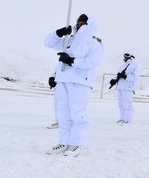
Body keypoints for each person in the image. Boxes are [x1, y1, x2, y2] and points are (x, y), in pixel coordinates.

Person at [44, 14, 104, 157]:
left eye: (83, 23)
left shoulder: (94, 43)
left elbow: (93, 61)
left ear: (90, 26)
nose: (79, 25)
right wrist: (58, 33)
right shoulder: (68, 40)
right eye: (78, 23)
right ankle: (64, 142)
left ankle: (76, 144)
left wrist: (72, 61)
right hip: (63, 80)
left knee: (78, 114)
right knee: (63, 113)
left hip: (80, 82)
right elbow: (48, 43)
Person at [110, 53, 140, 124]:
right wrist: (113, 80)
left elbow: (135, 76)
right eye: (125, 55)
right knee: (121, 104)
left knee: (127, 104)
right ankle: (122, 118)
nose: (126, 57)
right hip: (120, 86)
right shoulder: (123, 65)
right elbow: (117, 74)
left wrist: (125, 76)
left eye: (127, 55)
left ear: (131, 56)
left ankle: (128, 119)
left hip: (128, 87)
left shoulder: (135, 65)